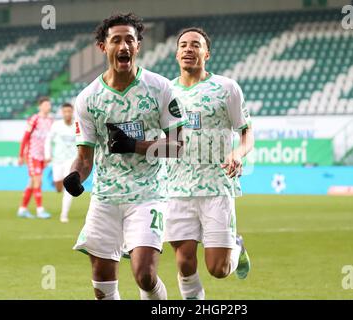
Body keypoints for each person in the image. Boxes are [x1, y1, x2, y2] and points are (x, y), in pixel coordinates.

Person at [62, 13, 186, 300]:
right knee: (102, 281)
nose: (124, 46)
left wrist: (135, 145)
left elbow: (178, 145)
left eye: (130, 39)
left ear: (138, 46)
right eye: (116, 40)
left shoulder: (161, 88)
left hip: (148, 194)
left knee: (145, 274)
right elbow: (84, 157)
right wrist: (75, 176)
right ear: (103, 47)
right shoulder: (88, 98)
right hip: (106, 198)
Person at [164, 27, 254, 300]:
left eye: (195, 45)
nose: (188, 49)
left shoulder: (226, 88)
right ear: (177, 53)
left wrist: (237, 154)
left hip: (216, 186)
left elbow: (246, 132)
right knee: (184, 262)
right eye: (183, 45)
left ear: (207, 53)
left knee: (218, 269)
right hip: (176, 187)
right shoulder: (164, 91)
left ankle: (236, 248)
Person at [17, 96, 53, 219]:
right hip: (32, 155)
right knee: (38, 181)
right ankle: (40, 210)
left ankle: (22, 209)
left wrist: (48, 155)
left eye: (49, 105)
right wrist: (21, 155)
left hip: (42, 157)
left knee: (32, 182)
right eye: (46, 105)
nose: (49, 107)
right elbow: (25, 138)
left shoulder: (50, 121)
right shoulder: (34, 119)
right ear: (40, 106)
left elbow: (49, 140)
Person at [44, 102, 77, 223]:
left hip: (72, 160)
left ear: (73, 112)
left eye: (69, 111)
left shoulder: (77, 125)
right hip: (57, 160)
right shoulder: (56, 125)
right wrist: (48, 155)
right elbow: (48, 139)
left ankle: (64, 214)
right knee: (58, 186)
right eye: (65, 112)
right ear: (62, 113)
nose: (67, 114)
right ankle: (59, 188)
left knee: (68, 186)